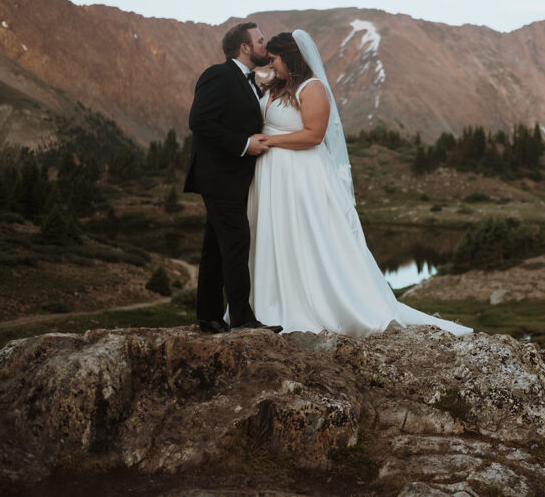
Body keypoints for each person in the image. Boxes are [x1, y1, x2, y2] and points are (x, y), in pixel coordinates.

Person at [247, 30, 471, 338]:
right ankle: (270, 302)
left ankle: (313, 305)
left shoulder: (312, 88)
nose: (271, 65)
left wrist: (270, 139)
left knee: (304, 238)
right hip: (272, 176)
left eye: (274, 59)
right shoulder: (276, 85)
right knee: (276, 235)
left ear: (291, 57)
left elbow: (314, 135)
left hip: (300, 177)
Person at [184, 22, 282, 334]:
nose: (264, 46)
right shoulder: (218, 75)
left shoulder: (250, 82)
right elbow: (199, 121)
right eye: (260, 40)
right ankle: (242, 319)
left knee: (214, 247)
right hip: (219, 176)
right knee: (237, 242)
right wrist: (244, 145)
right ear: (244, 47)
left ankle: (210, 317)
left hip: (233, 178)